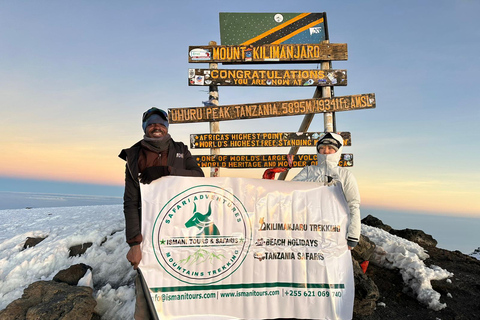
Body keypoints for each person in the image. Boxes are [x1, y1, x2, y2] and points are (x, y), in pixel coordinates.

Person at [119, 107, 204, 319]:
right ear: (145, 128)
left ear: (166, 127)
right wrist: (134, 244)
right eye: (151, 123)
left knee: (184, 285)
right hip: (149, 232)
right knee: (148, 291)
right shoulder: (134, 155)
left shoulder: (181, 150)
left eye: (160, 123)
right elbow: (131, 202)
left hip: (181, 230)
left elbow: (199, 176)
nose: (156, 126)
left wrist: (168, 172)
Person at [292, 132, 360, 249]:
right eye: (322, 148)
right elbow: (290, 190)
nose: (326, 151)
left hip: (337, 231)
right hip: (309, 228)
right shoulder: (308, 171)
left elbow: (353, 204)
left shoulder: (345, 175)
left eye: (330, 148)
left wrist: (353, 236)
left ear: (338, 150)